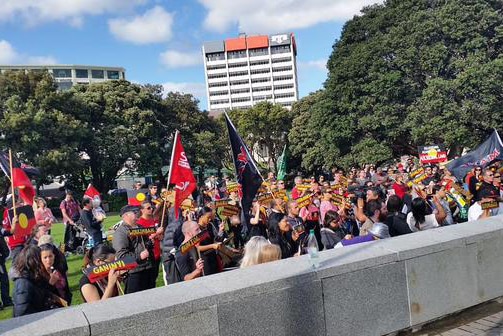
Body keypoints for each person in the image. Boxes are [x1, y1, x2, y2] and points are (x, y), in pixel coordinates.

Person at [12, 245, 62, 317]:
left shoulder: (35, 277)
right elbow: (21, 313)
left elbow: (41, 295)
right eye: (42, 259)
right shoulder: (24, 283)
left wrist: (50, 284)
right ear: (35, 262)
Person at [112, 205, 153, 294]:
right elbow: (121, 256)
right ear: (126, 216)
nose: (138, 215)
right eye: (135, 213)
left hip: (147, 268)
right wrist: (139, 256)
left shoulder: (140, 227)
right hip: (133, 273)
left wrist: (150, 243)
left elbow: (146, 246)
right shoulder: (120, 232)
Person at [137, 201, 161, 289]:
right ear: (142, 210)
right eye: (148, 208)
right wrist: (156, 233)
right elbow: (144, 239)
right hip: (149, 255)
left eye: (151, 207)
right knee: (149, 280)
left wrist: (159, 236)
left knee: (154, 278)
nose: (151, 209)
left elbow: (156, 235)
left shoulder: (153, 220)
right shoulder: (140, 223)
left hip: (157, 252)